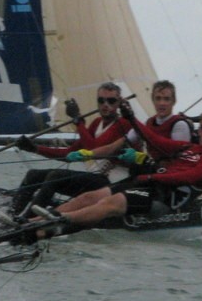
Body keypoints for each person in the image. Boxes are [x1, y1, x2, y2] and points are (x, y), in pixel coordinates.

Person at [19, 106, 202, 236]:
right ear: (199, 130)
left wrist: (150, 173)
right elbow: (153, 139)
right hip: (143, 183)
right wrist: (132, 118)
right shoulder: (188, 147)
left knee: (107, 202)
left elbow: (190, 176)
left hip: (159, 195)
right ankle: (31, 222)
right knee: (87, 196)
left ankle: (59, 220)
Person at [9, 83, 132, 217]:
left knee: (55, 176)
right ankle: (12, 214)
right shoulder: (97, 123)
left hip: (114, 183)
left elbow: (93, 150)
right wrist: (34, 148)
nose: (105, 105)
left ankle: (27, 220)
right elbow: (68, 154)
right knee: (33, 174)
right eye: (101, 100)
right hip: (97, 178)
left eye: (111, 101)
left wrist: (78, 122)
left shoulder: (124, 124)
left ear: (119, 103)